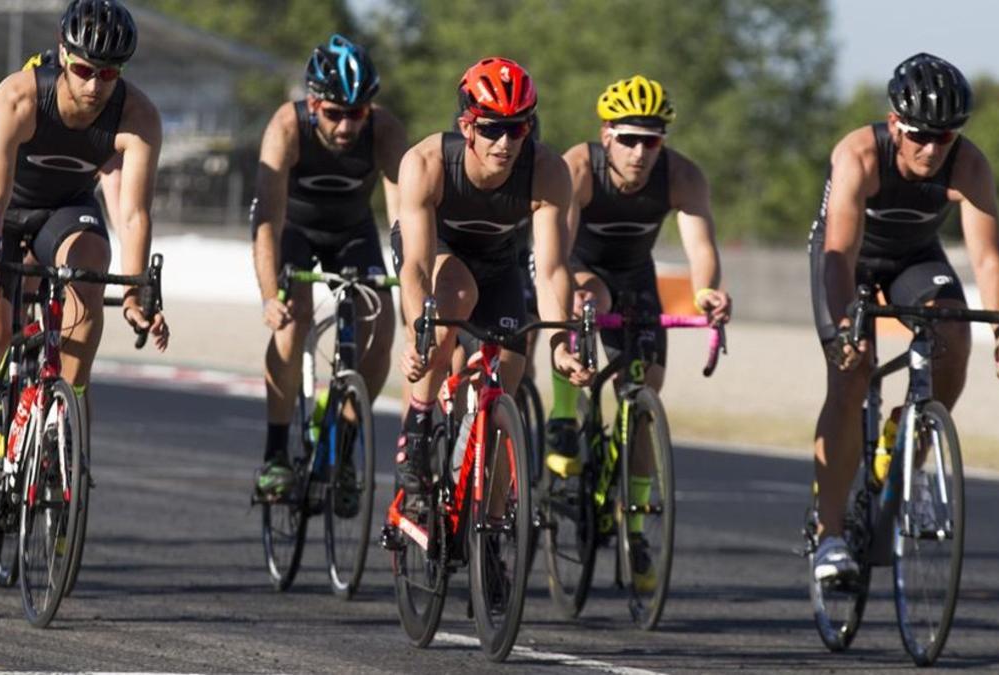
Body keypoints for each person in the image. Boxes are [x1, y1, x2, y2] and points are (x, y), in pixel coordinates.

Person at [0, 0, 169, 578]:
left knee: (93, 266)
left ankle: (62, 427)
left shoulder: (137, 115)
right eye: (85, 70)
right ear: (63, 55)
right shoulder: (18, 95)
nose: (94, 85)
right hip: (2, 209)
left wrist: (137, 294)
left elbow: (132, 215)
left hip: (66, 210)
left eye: (108, 74)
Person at [809, 53, 999, 581]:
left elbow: (987, 258)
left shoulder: (969, 164)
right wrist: (846, 328)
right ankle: (830, 534)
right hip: (848, 259)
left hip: (914, 257)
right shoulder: (859, 154)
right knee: (853, 370)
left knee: (954, 331)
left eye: (945, 137)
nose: (932, 149)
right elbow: (838, 251)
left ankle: (909, 445)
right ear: (893, 124)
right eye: (919, 135)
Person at [546, 74, 732, 590]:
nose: (640, 152)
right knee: (588, 301)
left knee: (645, 392)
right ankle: (564, 417)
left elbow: (701, 250)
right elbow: (555, 253)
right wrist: (570, 299)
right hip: (582, 269)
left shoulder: (682, 176)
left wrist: (706, 294)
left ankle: (636, 531)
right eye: (629, 138)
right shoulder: (579, 167)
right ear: (607, 134)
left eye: (651, 140)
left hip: (636, 277)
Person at [391, 56, 591, 496]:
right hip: (437, 253)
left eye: (517, 128)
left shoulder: (547, 171)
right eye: (491, 128)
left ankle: (496, 533)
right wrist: (416, 336)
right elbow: (417, 267)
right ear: (467, 126)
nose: (505, 141)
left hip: (499, 261)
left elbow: (553, 268)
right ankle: (419, 424)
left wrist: (561, 342)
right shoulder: (427, 163)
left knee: (504, 395)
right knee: (455, 294)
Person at [250, 35, 407, 503]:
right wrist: (268, 296)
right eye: (334, 113)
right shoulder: (286, 127)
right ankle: (276, 455)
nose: (345, 125)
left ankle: (344, 442)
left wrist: (410, 278)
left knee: (382, 319)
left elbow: (404, 218)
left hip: (352, 231)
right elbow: (266, 222)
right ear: (312, 103)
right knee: (293, 315)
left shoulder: (385, 131)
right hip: (293, 229)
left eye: (356, 113)